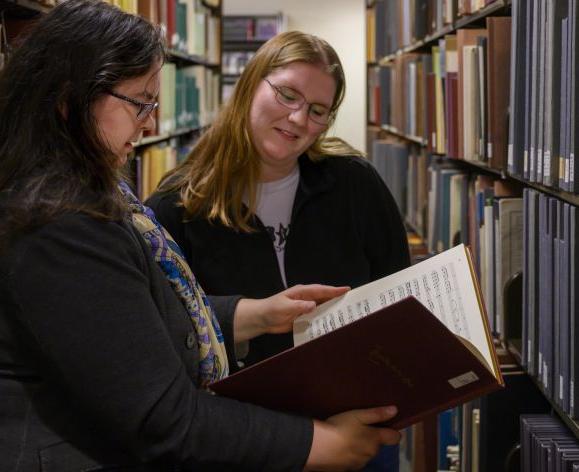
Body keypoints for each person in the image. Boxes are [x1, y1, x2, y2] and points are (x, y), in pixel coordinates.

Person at [0, 2, 402, 471]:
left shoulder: (89, 195)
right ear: (71, 96)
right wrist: (319, 445)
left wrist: (251, 314)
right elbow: (163, 416)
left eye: (317, 110)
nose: (150, 123)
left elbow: (128, 317)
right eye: (140, 102)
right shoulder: (59, 222)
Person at [147, 30, 411, 471]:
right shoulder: (179, 203)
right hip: (246, 438)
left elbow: (399, 288)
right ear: (252, 84)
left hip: (354, 425)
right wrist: (251, 312)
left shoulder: (355, 184)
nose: (297, 118)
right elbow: (160, 323)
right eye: (287, 94)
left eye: (317, 110)